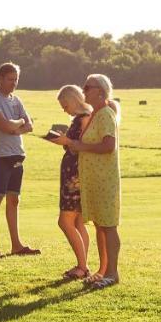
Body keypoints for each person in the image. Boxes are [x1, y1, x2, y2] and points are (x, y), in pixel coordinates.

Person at [64, 74, 121, 289]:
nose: (84, 91)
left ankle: (113, 273)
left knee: (108, 226)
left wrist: (81, 147)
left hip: (105, 180)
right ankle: (103, 270)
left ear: (100, 91)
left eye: (88, 87)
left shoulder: (105, 114)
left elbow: (108, 146)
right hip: (95, 180)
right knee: (100, 226)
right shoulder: (96, 114)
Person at [0, 62, 39, 258]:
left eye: (16, 79)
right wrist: (17, 124)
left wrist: (16, 126)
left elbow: (29, 125)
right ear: (0, 79)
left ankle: (16, 245)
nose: (14, 83)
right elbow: (5, 127)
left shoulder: (17, 100)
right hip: (0, 157)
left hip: (17, 154)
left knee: (14, 200)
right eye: (10, 79)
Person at [49, 84, 91, 280]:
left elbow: (82, 145)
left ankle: (82, 266)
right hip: (74, 173)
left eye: (65, 104)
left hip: (75, 176)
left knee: (64, 221)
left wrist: (65, 141)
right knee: (77, 222)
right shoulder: (81, 118)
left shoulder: (83, 119)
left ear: (73, 100)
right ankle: (83, 264)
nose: (63, 109)